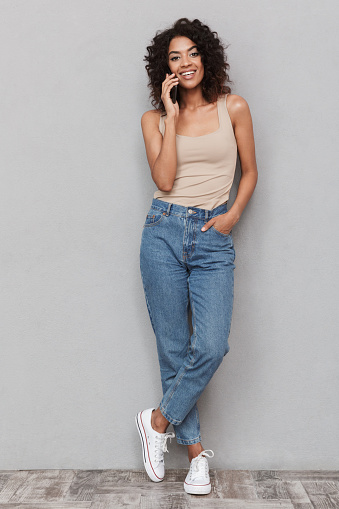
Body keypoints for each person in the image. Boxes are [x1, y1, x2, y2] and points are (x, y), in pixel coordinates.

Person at [135, 17, 258, 495]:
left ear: (206, 57)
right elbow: (164, 180)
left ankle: (157, 420)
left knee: (209, 345)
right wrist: (169, 112)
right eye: (174, 57)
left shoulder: (234, 107)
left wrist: (231, 217)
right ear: (163, 69)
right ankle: (195, 461)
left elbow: (250, 173)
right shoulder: (155, 120)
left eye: (191, 53)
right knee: (173, 349)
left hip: (212, 236)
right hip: (162, 231)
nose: (184, 63)